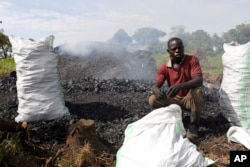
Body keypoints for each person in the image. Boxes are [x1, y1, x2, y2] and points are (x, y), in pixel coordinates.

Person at [148, 37, 204, 140]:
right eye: (174, 49)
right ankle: (170, 120)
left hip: (189, 99)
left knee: (197, 91)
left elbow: (199, 80)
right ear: (168, 51)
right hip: (174, 100)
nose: (177, 51)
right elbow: (157, 84)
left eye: (179, 48)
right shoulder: (164, 67)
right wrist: (155, 89)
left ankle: (193, 126)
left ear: (183, 48)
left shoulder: (192, 60)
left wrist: (181, 85)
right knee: (153, 99)